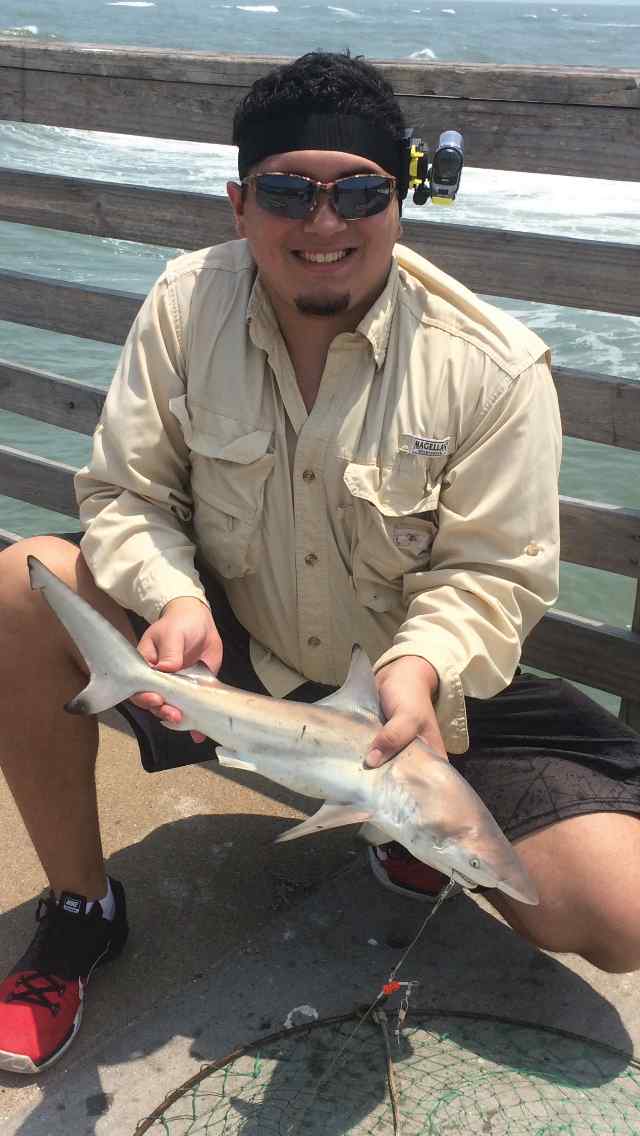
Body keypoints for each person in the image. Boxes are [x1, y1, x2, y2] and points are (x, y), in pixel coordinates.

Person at [1, 51, 639, 1076]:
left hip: (414, 695)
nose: (325, 224)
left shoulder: (492, 364)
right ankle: (83, 908)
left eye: (360, 193)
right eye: (289, 191)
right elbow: (126, 494)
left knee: (620, 912)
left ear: (400, 203)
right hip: (231, 643)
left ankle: (405, 832)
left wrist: (421, 669)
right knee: (17, 584)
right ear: (239, 202)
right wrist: (168, 596)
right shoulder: (182, 303)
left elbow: (493, 575)